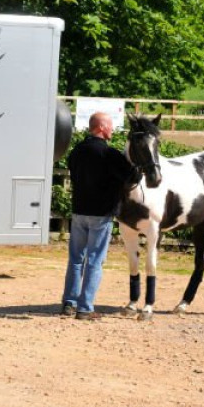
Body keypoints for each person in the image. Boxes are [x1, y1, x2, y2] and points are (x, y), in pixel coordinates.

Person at [61, 111, 134, 320]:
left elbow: (74, 174)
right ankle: (85, 308)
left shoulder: (77, 151)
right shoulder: (109, 154)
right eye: (110, 126)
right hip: (101, 214)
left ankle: (69, 302)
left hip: (79, 211)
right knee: (94, 260)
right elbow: (131, 177)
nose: (112, 130)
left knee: (76, 259)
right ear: (101, 128)